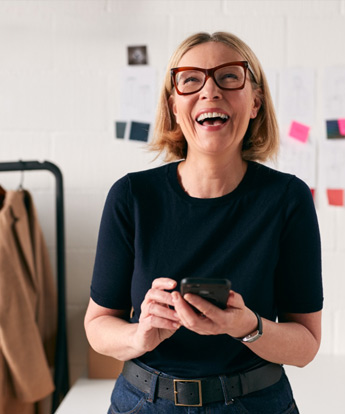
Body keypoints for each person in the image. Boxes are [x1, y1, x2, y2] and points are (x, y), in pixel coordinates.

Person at [84, 31, 323, 414]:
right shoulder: (131, 196)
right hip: (144, 403)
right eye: (191, 79)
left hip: (256, 404)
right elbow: (98, 326)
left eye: (229, 77)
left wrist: (246, 325)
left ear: (256, 102)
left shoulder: (287, 198)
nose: (210, 91)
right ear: (174, 107)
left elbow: (306, 345)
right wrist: (141, 335)